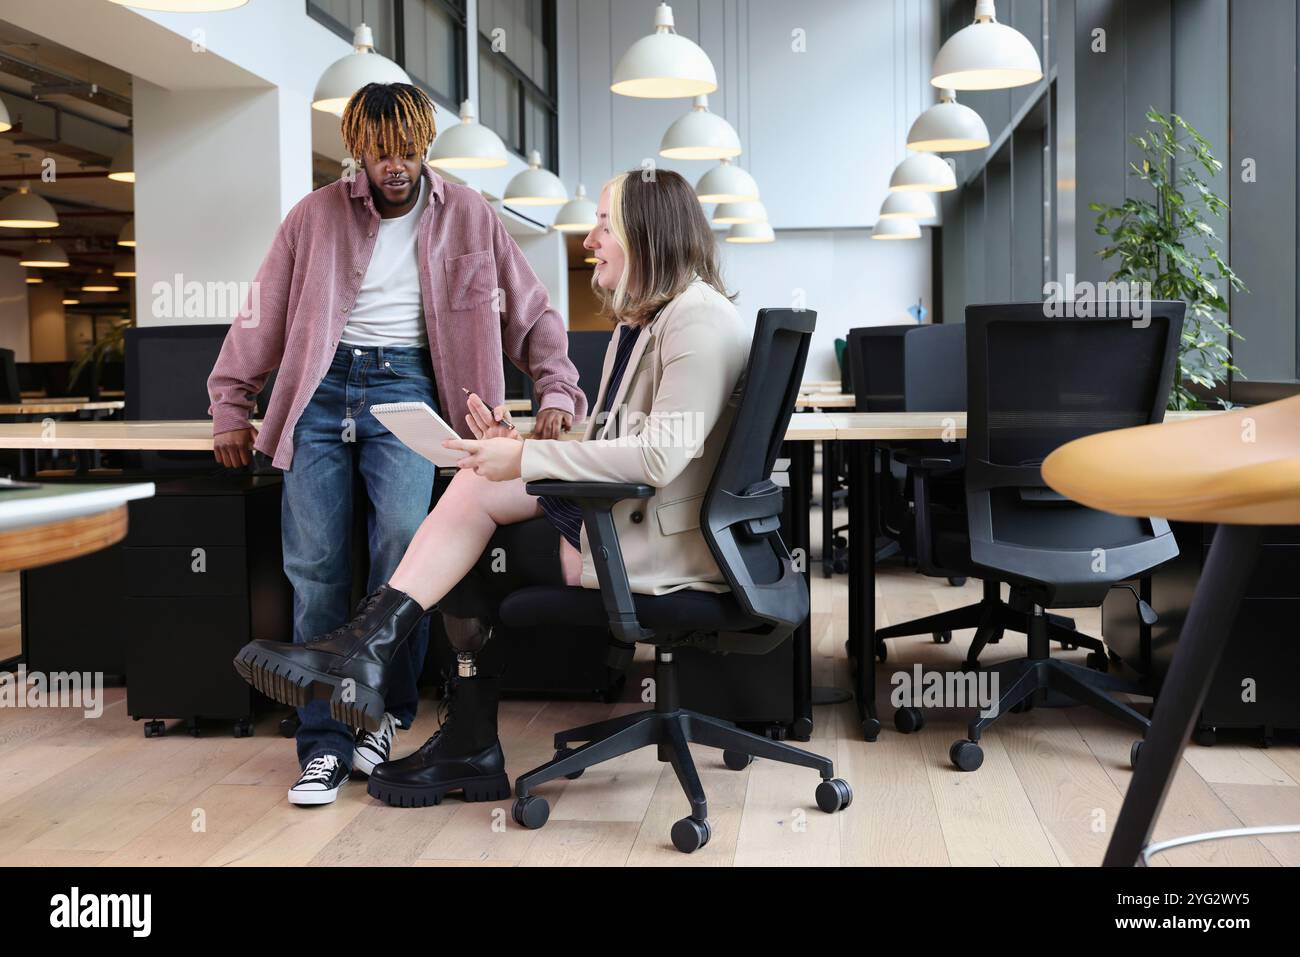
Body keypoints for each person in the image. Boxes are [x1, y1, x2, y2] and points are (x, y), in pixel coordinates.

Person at [234, 168, 748, 809]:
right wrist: (516, 446)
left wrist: (529, 458)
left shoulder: (696, 323)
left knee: (470, 561)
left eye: (604, 224)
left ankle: (454, 733)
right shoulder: (652, 319)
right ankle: (371, 659)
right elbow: (614, 433)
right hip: (630, 519)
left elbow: (654, 456)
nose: (588, 239)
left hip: (656, 549)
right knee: (476, 481)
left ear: (648, 233)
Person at [209, 82, 584, 806]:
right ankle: (321, 743)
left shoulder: (471, 216)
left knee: (404, 557)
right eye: (380, 153)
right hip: (322, 387)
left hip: (410, 391)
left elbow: (532, 313)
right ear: (359, 150)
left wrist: (557, 389)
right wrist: (232, 401)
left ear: (425, 148)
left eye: (407, 151)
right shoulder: (315, 217)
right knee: (314, 566)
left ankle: (378, 717)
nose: (395, 166)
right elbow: (262, 312)